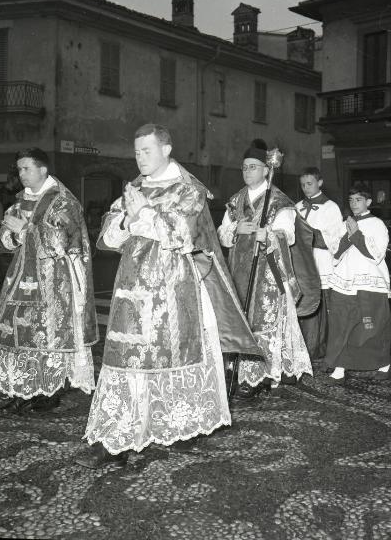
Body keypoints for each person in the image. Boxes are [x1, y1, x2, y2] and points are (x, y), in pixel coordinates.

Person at [77, 124, 259, 468]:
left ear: (166, 149)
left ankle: (181, 424)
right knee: (126, 357)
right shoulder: (133, 187)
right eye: (136, 151)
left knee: (171, 356)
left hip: (174, 288)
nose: (139, 157)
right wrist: (126, 222)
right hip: (132, 287)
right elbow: (108, 237)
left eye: (146, 150)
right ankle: (114, 439)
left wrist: (142, 215)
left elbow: (182, 235)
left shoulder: (188, 190)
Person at [0, 148, 98, 414]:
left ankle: (48, 391)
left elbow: (62, 242)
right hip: (21, 276)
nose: (21, 174)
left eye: (26, 168)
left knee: (48, 334)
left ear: (43, 170)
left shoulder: (63, 201)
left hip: (54, 279)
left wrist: (25, 230)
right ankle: (22, 388)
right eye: (19, 169)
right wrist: (12, 235)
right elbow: (6, 241)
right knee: (18, 332)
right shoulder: (19, 202)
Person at [218, 140, 312, 398]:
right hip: (238, 269)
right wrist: (234, 229)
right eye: (244, 167)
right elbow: (222, 233)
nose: (247, 172)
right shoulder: (236, 200)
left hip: (266, 273)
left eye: (253, 167)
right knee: (239, 319)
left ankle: (258, 376)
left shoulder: (279, 201)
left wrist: (268, 234)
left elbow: (288, 235)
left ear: (266, 171)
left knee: (262, 322)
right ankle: (237, 370)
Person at [324, 185, 391, 384]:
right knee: (341, 324)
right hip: (344, 282)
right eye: (351, 199)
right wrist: (348, 235)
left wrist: (357, 235)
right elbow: (335, 252)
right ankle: (339, 369)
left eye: (359, 199)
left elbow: (376, 254)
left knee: (370, 325)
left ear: (368, 202)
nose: (354, 203)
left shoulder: (377, 224)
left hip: (369, 284)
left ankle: (383, 364)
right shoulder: (345, 223)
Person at [295, 167, 344, 362]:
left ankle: (317, 348)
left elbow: (333, 239)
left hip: (320, 263)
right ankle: (300, 348)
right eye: (303, 184)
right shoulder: (297, 206)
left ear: (320, 183)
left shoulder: (331, 207)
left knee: (319, 309)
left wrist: (306, 233)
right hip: (300, 264)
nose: (306, 188)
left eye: (310, 184)